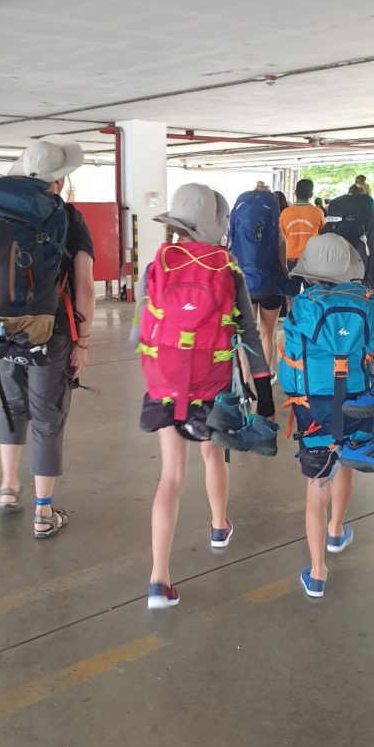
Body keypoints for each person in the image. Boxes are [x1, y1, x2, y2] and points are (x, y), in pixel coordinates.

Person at [134, 183, 275, 609]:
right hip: (215, 385)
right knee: (214, 457)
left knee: (171, 477)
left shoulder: (158, 263)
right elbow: (249, 333)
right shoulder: (228, 268)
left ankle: (159, 580)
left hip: (166, 385)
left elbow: (138, 332)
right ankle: (218, 527)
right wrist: (263, 391)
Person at [278, 234, 374, 599]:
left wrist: (297, 401)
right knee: (346, 462)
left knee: (316, 485)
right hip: (359, 404)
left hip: (313, 410)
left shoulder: (302, 306)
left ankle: (317, 572)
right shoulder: (367, 302)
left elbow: (288, 368)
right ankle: (336, 531)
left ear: (310, 272)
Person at [0, 141, 95, 536]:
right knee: (47, 418)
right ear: (59, 181)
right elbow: (84, 285)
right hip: (49, 332)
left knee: (11, 406)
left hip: (2, 330)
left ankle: (8, 488)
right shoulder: (69, 218)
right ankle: (43, 512)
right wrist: (82, 343)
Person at [228, 186, 288, 374]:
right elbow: (284, 268)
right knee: (267, 332)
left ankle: (247, 377)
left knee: (247, 334)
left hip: (245, 287)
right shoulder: (278, 235)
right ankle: (266, 375)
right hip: (271, 287)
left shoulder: (235, 235)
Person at [323, 184, 374, 288]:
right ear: (363, 193)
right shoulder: (368, 203)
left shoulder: (335, 204)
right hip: (361, 264)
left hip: (335, 265)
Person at [279, 179, 324, 300]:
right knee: (312, 297)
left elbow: (280, 238)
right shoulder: (318, 213)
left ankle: (292, 312)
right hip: (311, 260)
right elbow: (323, 235)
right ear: (311, 195)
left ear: (295, 193)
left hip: (289, 261)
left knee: (290, 298)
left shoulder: (285, 213)